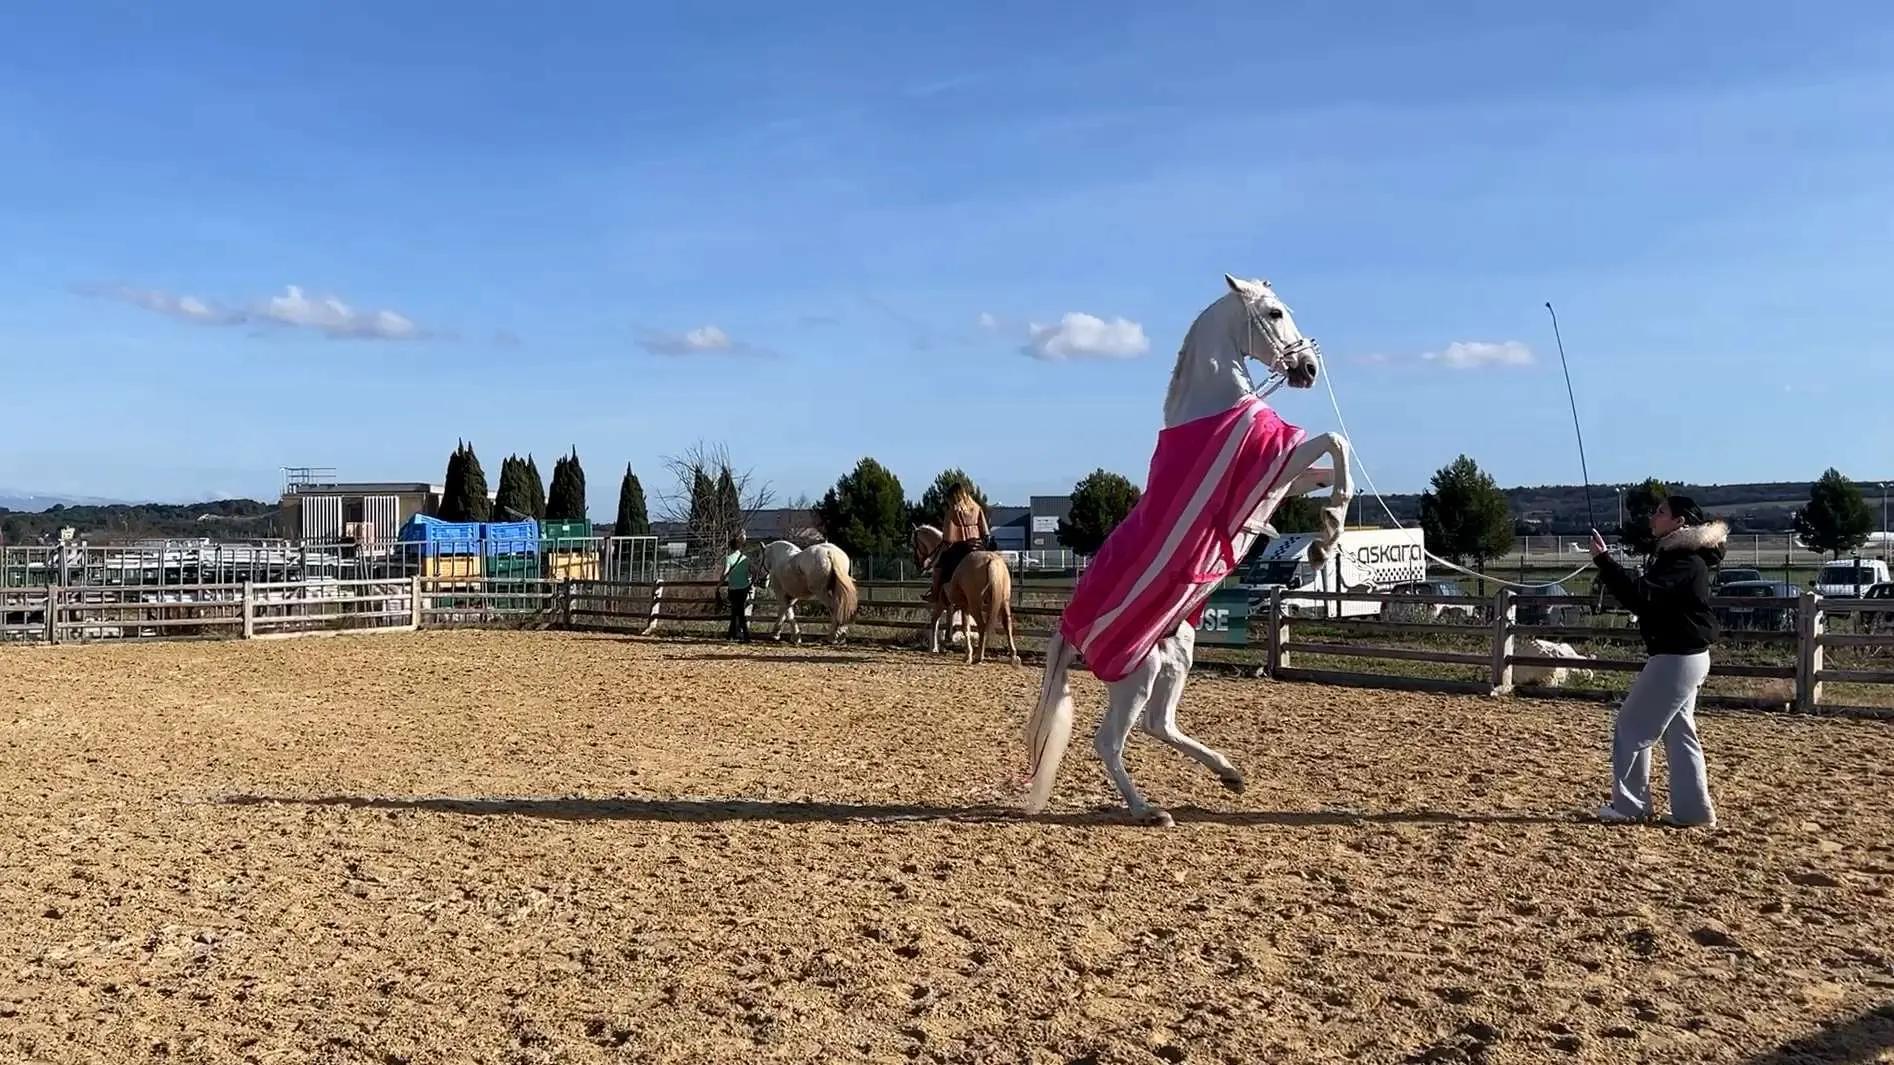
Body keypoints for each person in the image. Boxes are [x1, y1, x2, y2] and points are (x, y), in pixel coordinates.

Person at [1587, 496, 1727, 827]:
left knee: (1631, 726)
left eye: (1661, 512)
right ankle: (1694, 812)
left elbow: (1640, 596)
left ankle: (1630, 806)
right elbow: (1645, 597)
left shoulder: (1682, 561)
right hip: (1686, 656)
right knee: (1679, 732)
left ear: (1680, 522)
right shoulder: (1681, 558)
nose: (1654, 517)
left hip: (1675, 658)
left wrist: (1604, 562)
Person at [927, 485, 992, 606]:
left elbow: (948, 537)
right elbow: (985, 529)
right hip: (978, 544)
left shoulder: (953, 511)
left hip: (962, 546)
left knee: (940, 565)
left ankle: (935, 593)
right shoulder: (977, 507)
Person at [720, 533, 752, 643]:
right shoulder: (745, 559)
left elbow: (724, 573)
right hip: (744, 588)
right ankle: (731, 635)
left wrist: (719, 585)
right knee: (737, 612)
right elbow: (752, 572)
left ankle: (744, 636)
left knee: (736, 612)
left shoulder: (728, 558)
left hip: (733, 588)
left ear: (730, 547)